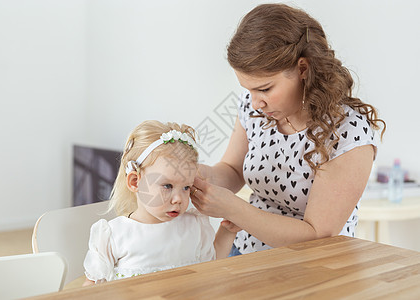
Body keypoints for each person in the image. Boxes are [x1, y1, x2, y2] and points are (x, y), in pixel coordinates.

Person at [190, 3, 386, 256]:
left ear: (302, 69)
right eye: (248, 89)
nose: (254, 102)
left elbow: (317, 235)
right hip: (245, 254)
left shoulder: (347, 132)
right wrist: (197, 175)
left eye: (264, 89)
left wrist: (234, 209)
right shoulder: (255, 109)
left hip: (314, 270)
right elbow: (232, 170)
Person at [83, 120, 238, 285]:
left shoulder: (195, 225)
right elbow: (91, 289)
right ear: (135, 182)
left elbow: (211, 264)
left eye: (186, 187)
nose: (178, 198)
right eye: (167, 186)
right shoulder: (114, 234)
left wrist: (227, 231)